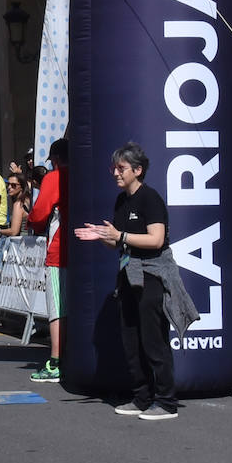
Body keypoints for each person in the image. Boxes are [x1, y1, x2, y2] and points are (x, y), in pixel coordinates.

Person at [75, 142, 197, 421]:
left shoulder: (149, 198)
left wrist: (120, 237)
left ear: (137, 170)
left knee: (153, 339)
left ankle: (166, 402)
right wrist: (102, 236)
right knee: (131, 339)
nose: (115, 173)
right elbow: (118, 241)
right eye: (113, 168)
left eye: (121, 168)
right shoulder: (122, 200)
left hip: (152, 274)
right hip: (128, 274)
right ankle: (142, 397)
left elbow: (155, 239)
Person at [27, 139, 68, 383]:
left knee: (57, 309)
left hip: (59, 251)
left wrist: (35, 223)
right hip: (88, 250)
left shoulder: (54, 178)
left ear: (55, 159)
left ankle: (55, 361)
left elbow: (40, 212)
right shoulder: (88, 172)